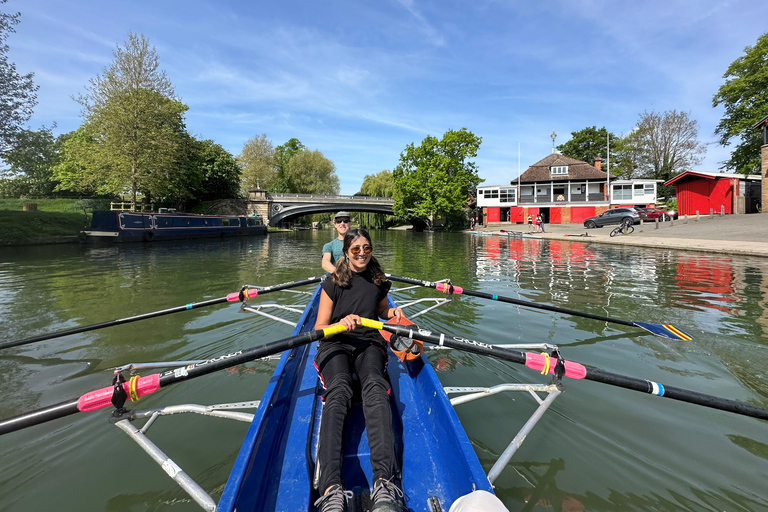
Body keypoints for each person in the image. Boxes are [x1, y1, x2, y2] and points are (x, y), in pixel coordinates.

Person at [313, 228, 406, 512]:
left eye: (367, 248)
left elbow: (381, 312)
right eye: (356, 249)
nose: (363, 253)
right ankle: (331, 489)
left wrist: (396, 315)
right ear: (346, 253)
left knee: (376, 389)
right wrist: (342, 323)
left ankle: (384, 484)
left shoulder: (378, 280)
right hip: (335, 343)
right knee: (339, 389)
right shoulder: (332, 283)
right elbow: (319, 329)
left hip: (368, 343)